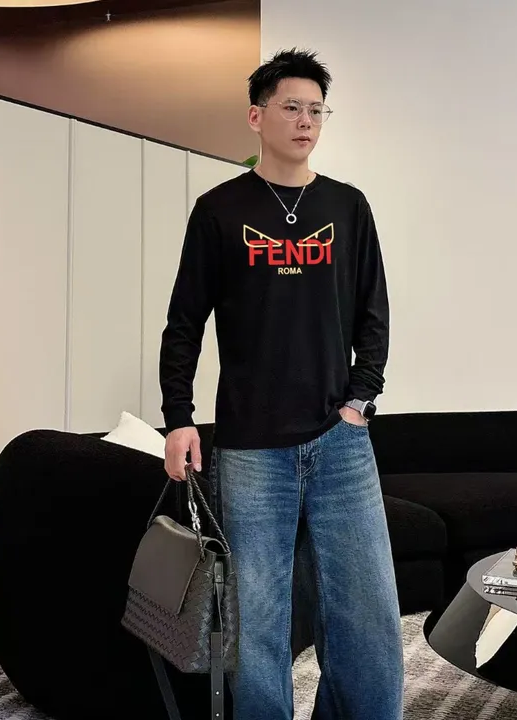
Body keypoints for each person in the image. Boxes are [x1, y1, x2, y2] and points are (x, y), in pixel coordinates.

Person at [159, 48, 404, 720]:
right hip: (250, 449)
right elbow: (184, 323)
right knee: (259, 619)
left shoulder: (348, 207)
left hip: (340, 442)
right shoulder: (218, 210)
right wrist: (178, 416)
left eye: (316, 110)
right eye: (292, 107)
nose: (306, 121)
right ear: (256, 116)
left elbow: (374, 315)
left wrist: (360, 401)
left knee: (367, 612)